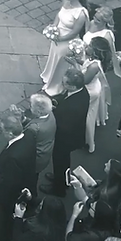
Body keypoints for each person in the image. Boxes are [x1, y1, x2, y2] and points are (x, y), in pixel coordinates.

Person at [42, 68, 90, 198]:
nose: (62, 85)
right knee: (62, 161)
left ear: (73, 86)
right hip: (69, 136)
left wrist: (52, 113)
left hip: (65, 139)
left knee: (60, 161)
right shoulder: (80, 91)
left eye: (65, 83)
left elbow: (64, 125)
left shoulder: (75, 106)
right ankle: (62, 179)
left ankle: (59, 188)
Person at [41, 0, 89, 95]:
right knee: (53, 57)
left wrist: (60, 39)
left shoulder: (81, 13)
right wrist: (53, 27)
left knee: (60, 62)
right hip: (57, 37)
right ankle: (48, 76)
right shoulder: (66, 0)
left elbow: (74, 33)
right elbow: (59, 14)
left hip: (66, 42)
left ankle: (56, 85)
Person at [80, 37, 113, 153]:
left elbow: (84, 80)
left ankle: (89, 142)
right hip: (94, 86)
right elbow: (86, 65)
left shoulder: (94, 66)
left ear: (95, 51)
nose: (86, 47)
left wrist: (74, 69)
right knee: (90, 112)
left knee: (88, 115)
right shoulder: (93, 60)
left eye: (89, 46)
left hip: (90, 91)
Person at [14, 94, 56, 176]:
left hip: (34, 159)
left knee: (27, 177)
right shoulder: (50, 114)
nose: (29, 107)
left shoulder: (33, 128)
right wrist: (23, 119)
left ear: (39, 112)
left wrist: (18, 120)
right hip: (45, 153)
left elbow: (22, 141)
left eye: (31, 106)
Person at [83, 6, 121, 78]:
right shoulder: (92, 23)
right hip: (83, 55)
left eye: (98, 20)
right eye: (94, 17)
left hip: (92, 63)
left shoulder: (107, 35)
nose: (94, 20)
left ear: (105, 21)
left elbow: (112, 54)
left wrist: (117, 71)